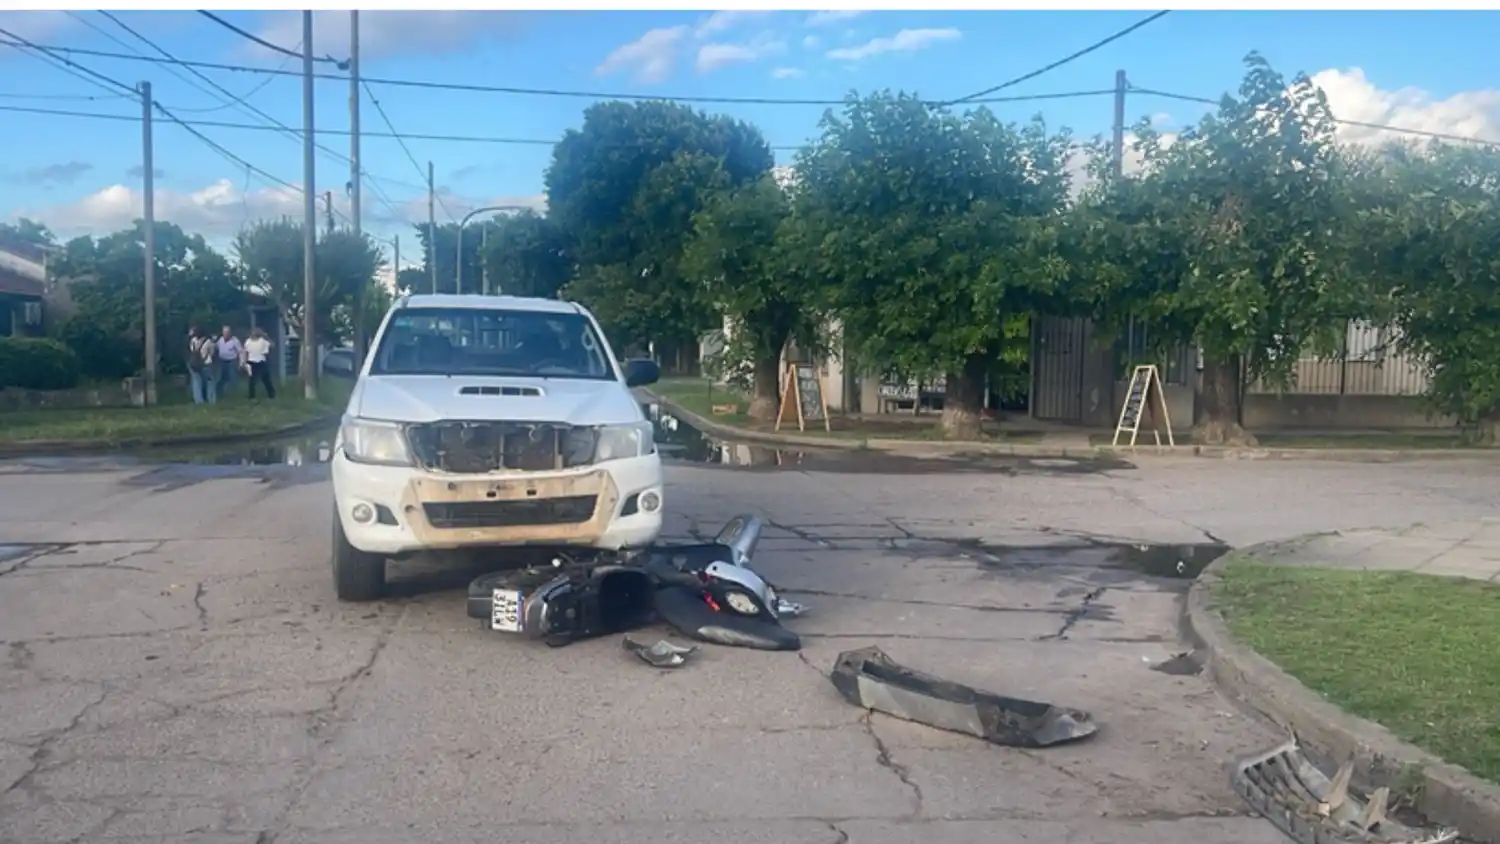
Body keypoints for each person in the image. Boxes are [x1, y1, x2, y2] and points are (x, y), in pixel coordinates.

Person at [244, 327, 276, 399]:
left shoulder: (262, 341)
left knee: (265, 378)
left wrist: (265, 336)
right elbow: (246, 352)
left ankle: (271, 394)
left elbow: (272, 345)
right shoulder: (248, 341)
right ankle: (251, 396)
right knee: (252, 380)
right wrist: (245, 362)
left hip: (261, 361)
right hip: (252, 361)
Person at [186, 325, 215, 405]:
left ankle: (198, 400)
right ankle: (211, 400)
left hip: (195, 364)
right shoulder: (209, 341)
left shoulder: (193, 341)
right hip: (206, 363)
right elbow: (212, 352)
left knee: (196, 382)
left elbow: (191, 350)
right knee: (210, 382)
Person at [214, 325, 243, 396]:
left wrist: (241, 362)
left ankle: (235, 394)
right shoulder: (220, 340)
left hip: (232, 361)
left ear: (230, 333)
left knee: (233, 377)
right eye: (224, 332)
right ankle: (219, 394)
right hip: (222, 361)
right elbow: (215, 347)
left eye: (227, 332)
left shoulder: (235, 340)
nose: (225, 334)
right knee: (220, 378)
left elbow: (241, 351)